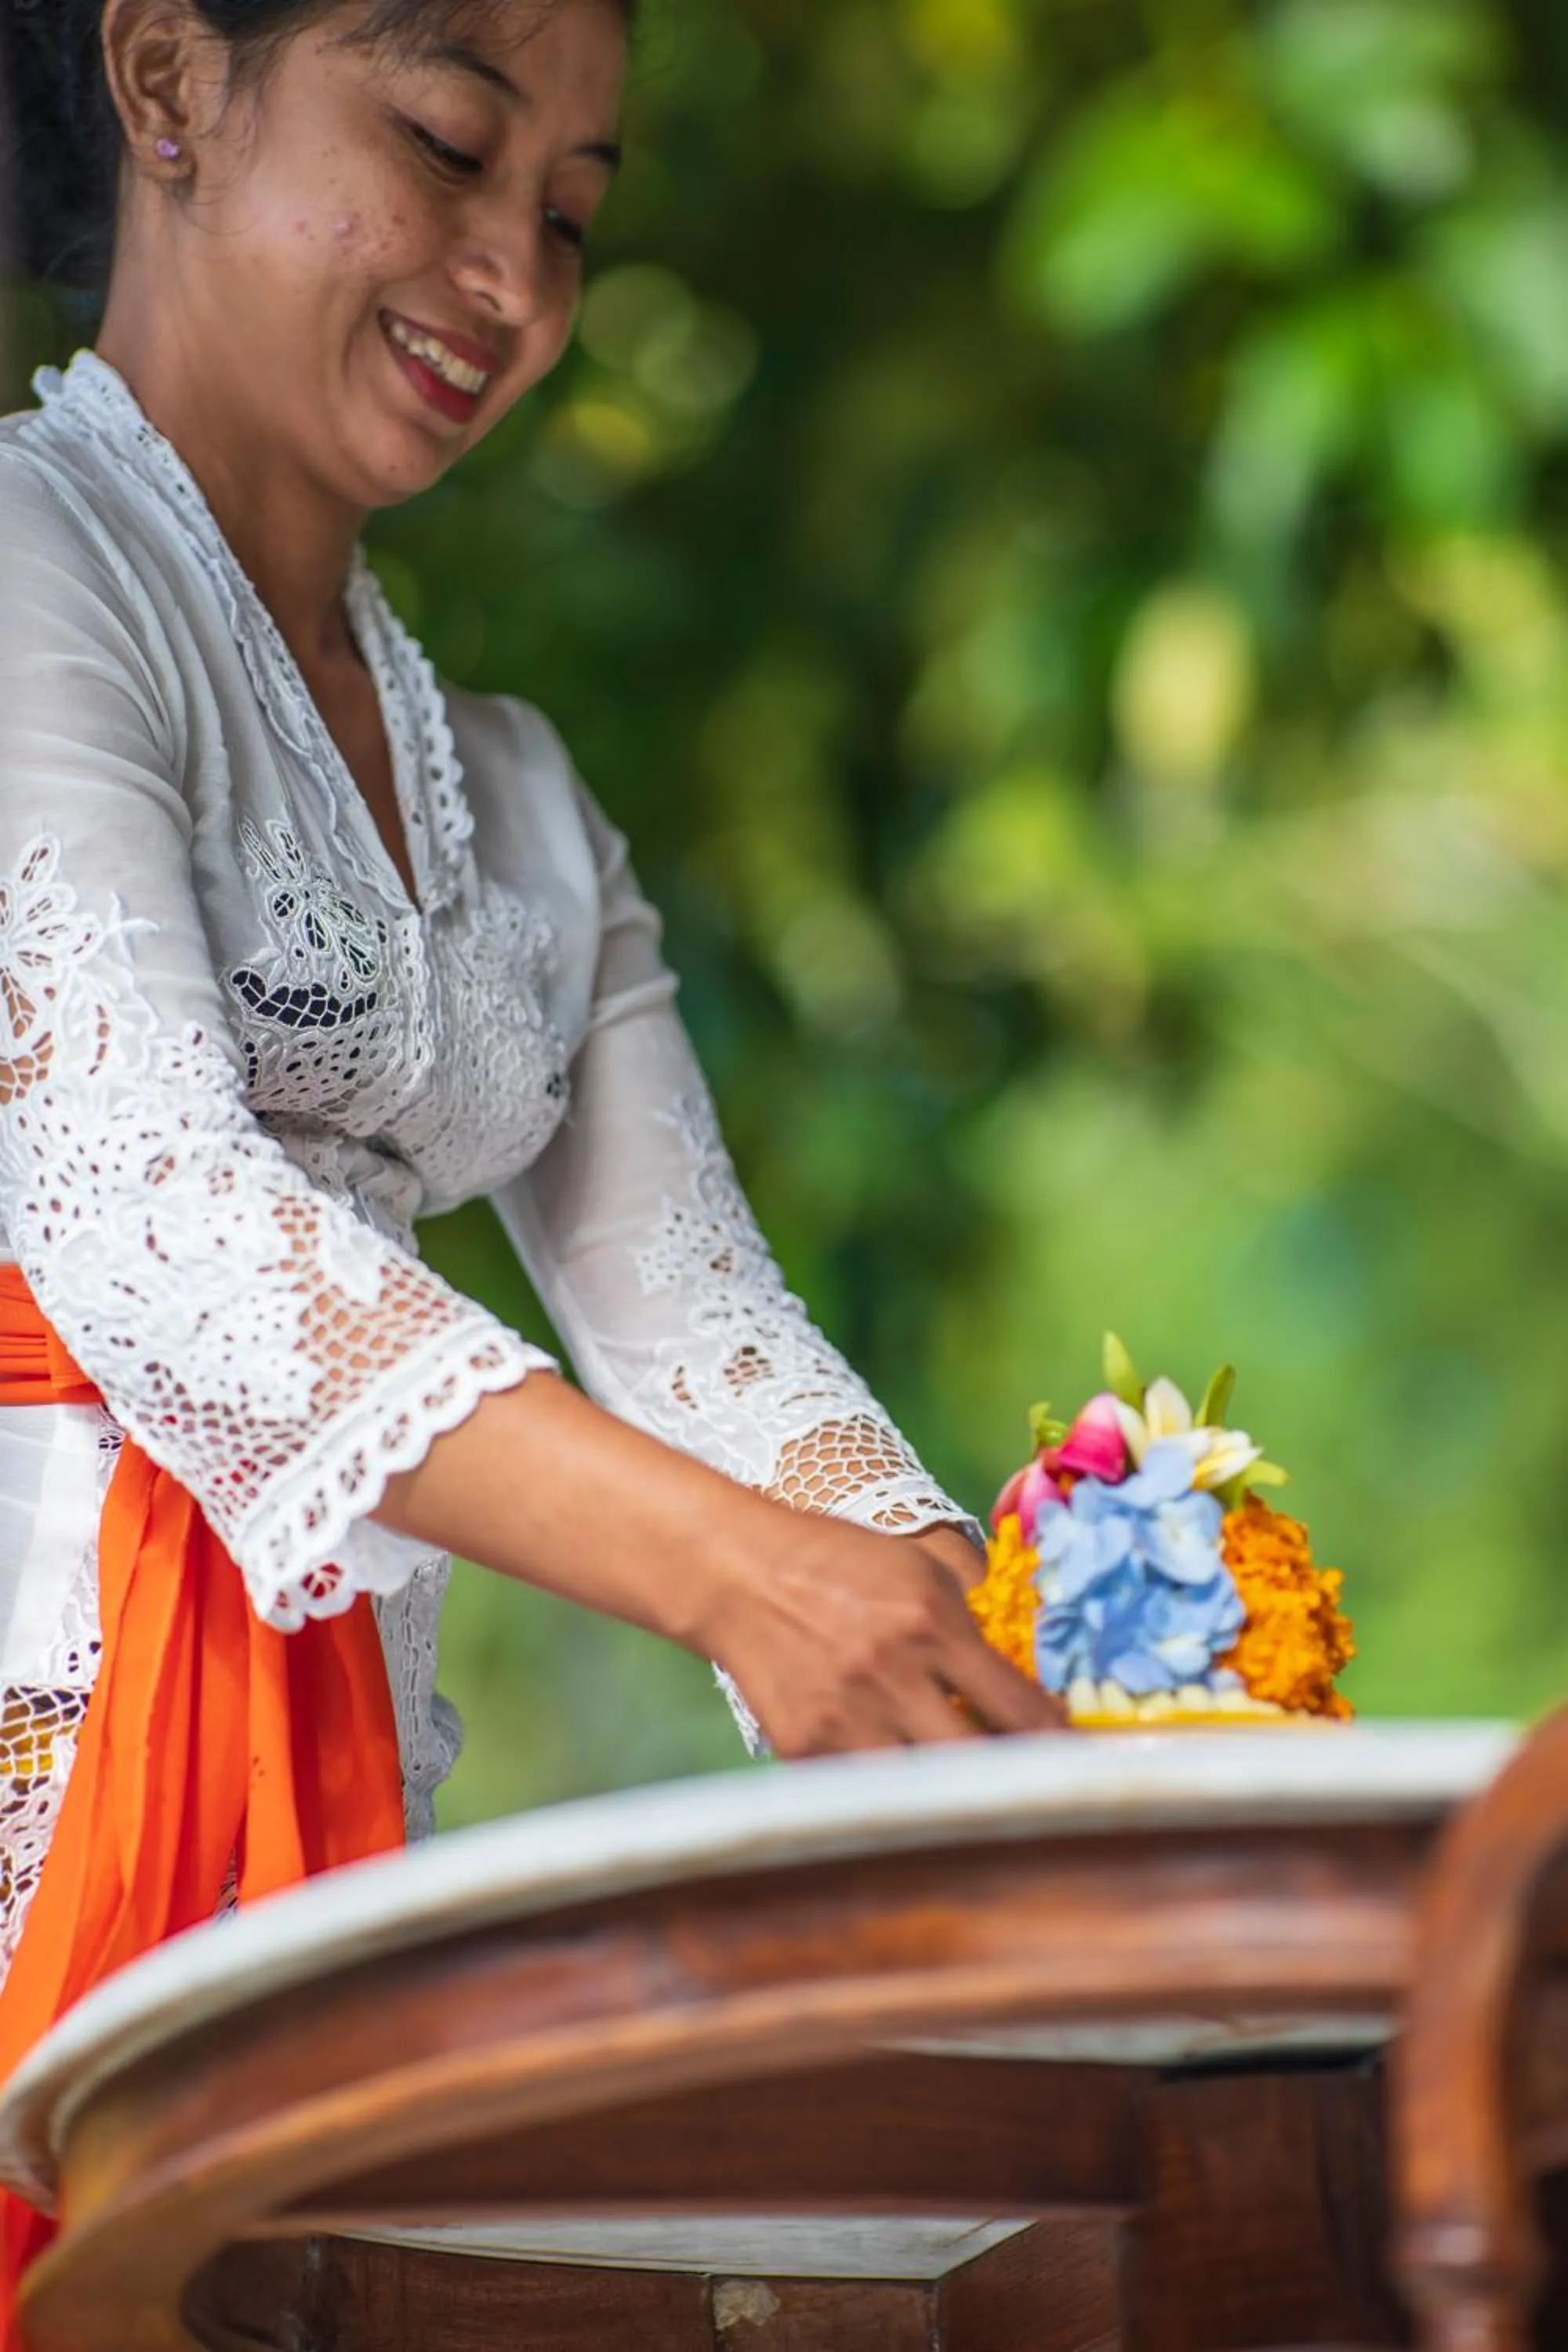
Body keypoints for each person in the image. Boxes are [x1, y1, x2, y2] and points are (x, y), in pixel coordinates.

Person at [0, 0, 1065, 2308]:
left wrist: (1022, 1687)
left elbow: (716, 1345)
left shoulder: (521, 797)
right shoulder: (26, 570)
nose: (513, 277)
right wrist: (751, 1589)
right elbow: (164, 1225)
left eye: (570, 216)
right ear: (167, 79)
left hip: (319, 1810)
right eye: (447, 142)